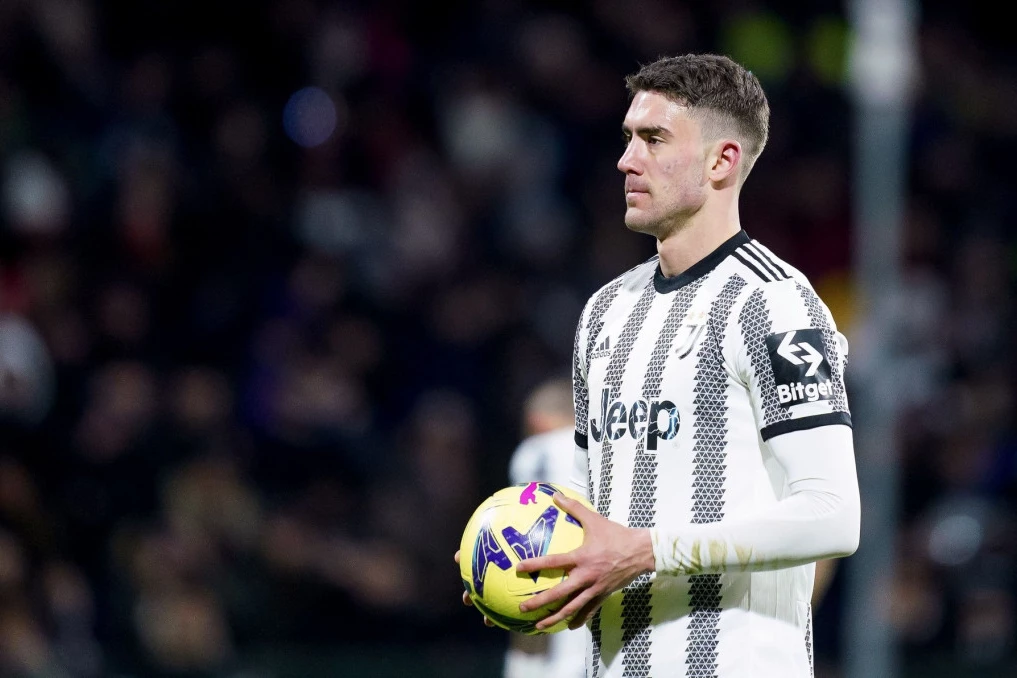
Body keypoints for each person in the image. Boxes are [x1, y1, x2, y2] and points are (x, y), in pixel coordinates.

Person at [457, 52, 860, 678]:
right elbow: (591, 511)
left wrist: (647, 552)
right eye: (628, 138)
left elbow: (833, 515)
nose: (627, 160)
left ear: (722, 161)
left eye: (654, 139)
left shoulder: (775, 304)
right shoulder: (605, 312)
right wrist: (529, 572)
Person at [503, 377, 587, 678]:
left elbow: (524, 556)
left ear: (535, 421)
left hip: (544, 641)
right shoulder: (609, 448)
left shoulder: (533, 451)